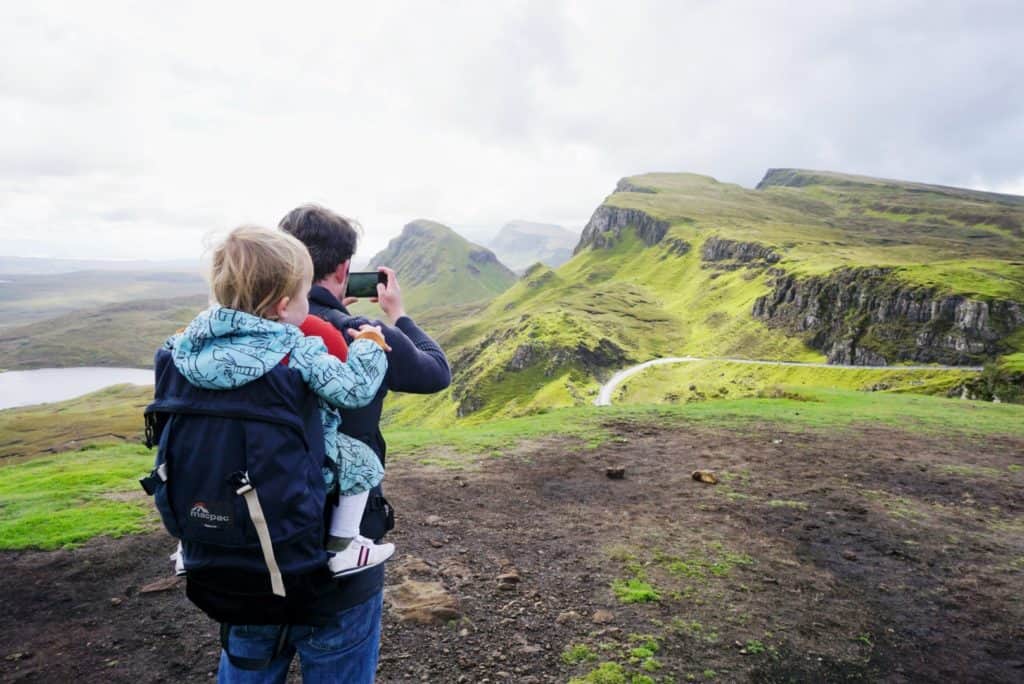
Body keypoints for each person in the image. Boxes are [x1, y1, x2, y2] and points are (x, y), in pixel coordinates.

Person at [165, 226, 397, 578]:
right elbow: (354, 391)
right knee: (363, 462)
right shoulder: (298, 350)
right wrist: (369, 344)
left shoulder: (182, 346)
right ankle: (344, 549)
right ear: (285, 306)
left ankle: (189, 544)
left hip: (208, 465)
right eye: (305, 294)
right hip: (283, 466)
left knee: (199, 476)